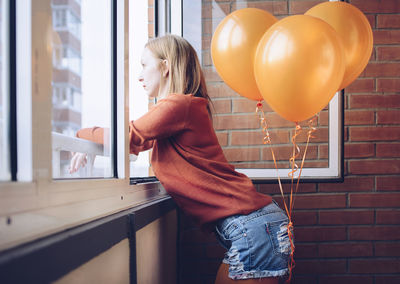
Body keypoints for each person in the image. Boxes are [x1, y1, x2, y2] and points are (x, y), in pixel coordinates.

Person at [70, 34, 292, 284]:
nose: (139, 75)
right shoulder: (178, 112)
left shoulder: (178, 105)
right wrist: (92, 142)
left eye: (144, 65)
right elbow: (136, 143)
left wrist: (80, 134)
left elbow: (129, 137)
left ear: (165, 67)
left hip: (252, 227)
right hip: (253, 226)